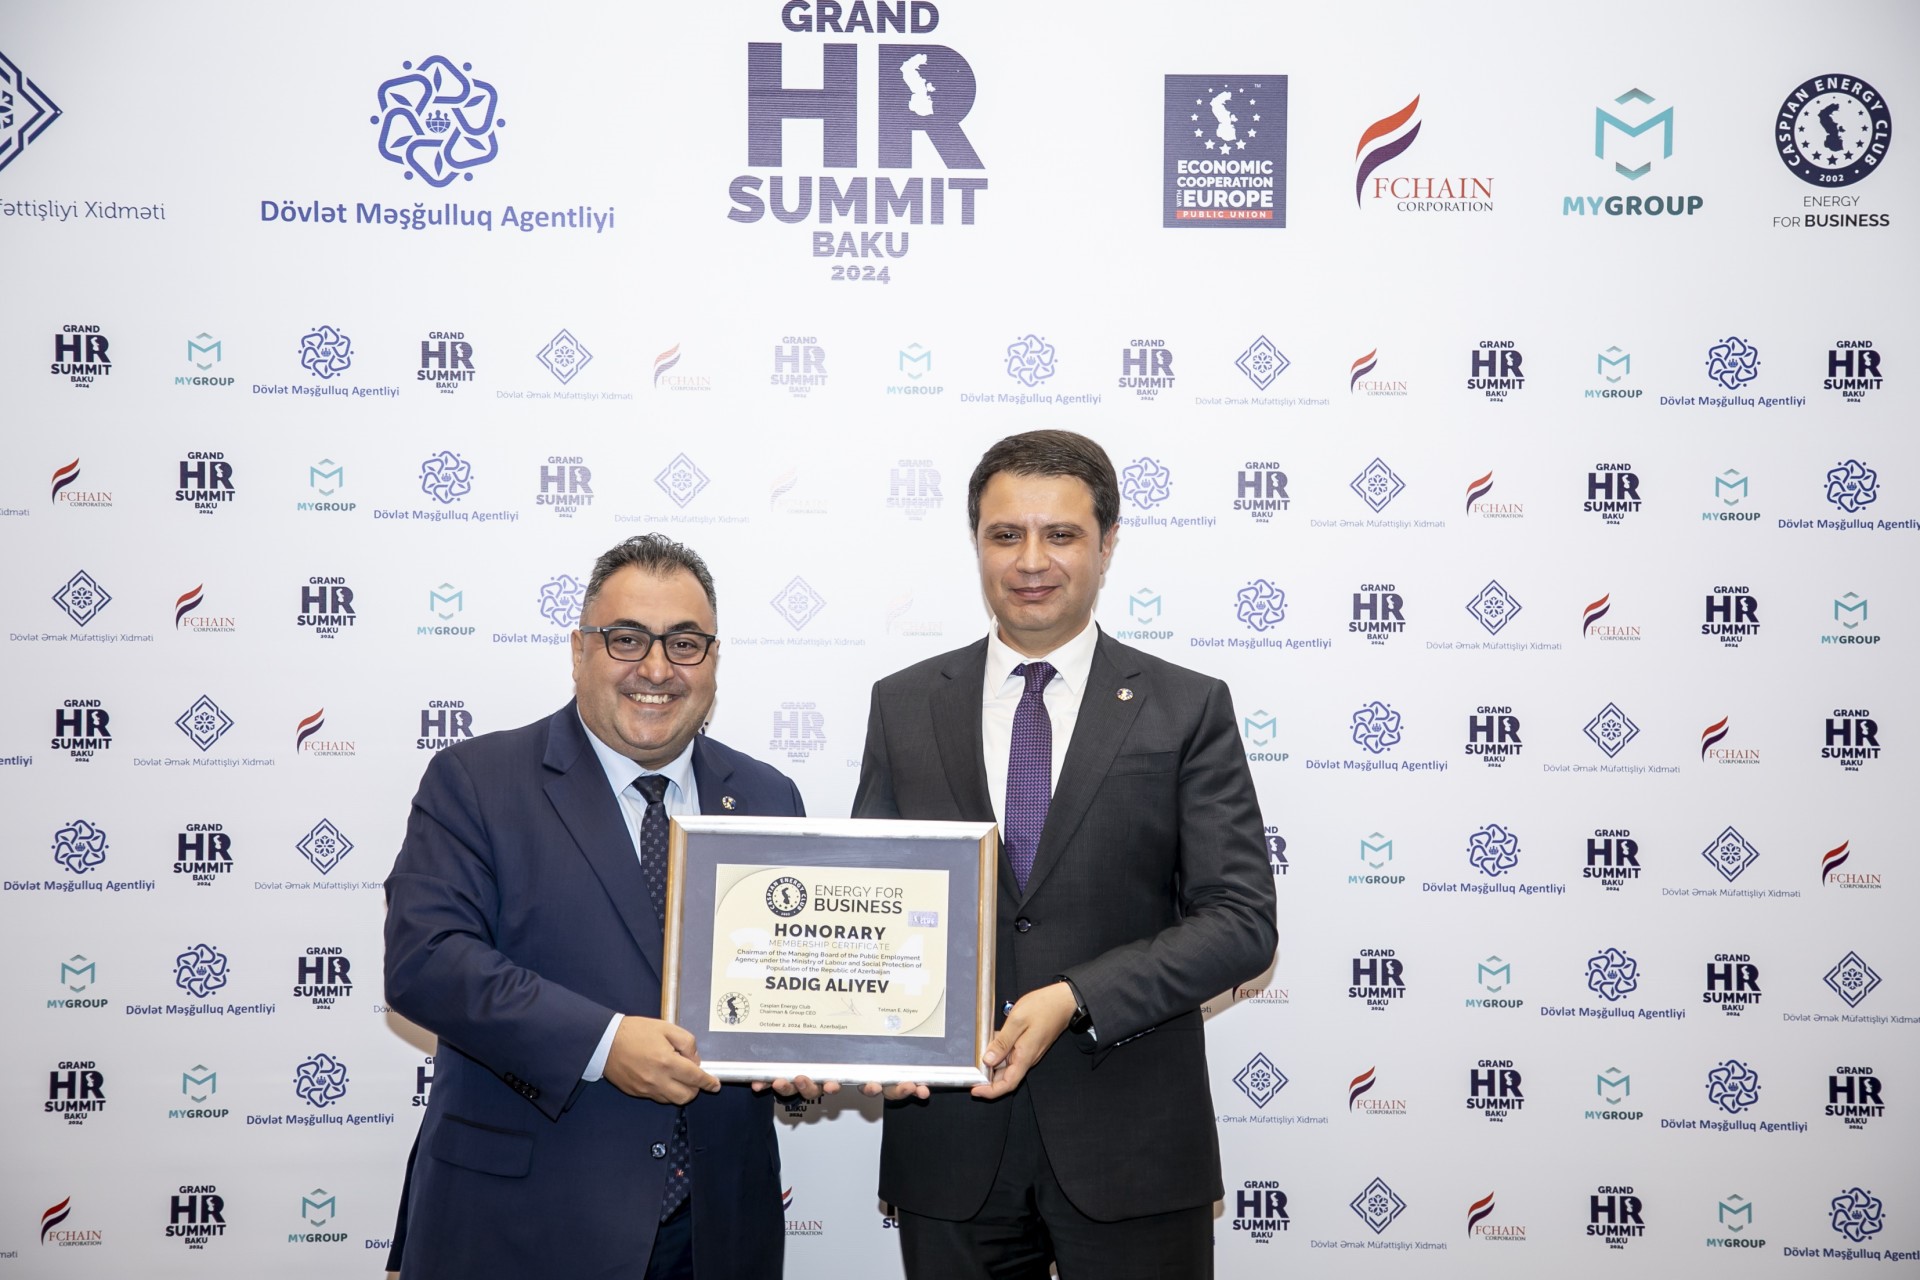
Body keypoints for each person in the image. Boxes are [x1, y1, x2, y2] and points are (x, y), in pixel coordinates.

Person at [853, 430, 1278, 1278]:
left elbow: (1241, 923)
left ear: (1107, 544)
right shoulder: (903, 705)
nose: (1031, 561)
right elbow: (873, 908)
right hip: (950, 1144)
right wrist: (867, 1035)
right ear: (977, 542)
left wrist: (1076, 996)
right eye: (1005, 534)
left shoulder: (1186, 707)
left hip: (1134, 1145)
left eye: (1061, 535)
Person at [383, 534, 807, 1279]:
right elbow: (427, 962)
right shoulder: (476, 780)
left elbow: (784, 979)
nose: (656, 669)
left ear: (713, 661)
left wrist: (805, 1049)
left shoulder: (768, 796)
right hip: (525, 1225)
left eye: (684, 643)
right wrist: (604, 1044)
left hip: (718, 1232)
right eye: (626, 639)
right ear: (579, 651)